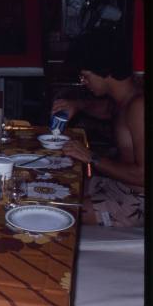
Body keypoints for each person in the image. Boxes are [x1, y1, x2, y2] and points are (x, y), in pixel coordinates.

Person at [51, 30, 144, 227]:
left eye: (85, 76)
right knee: (52, 187)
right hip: (119, 185)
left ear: (104, 72)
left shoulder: (139, 107)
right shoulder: (125, 98)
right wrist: (77, 105)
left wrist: (91, 157)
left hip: (137, 201)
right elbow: (107, 111)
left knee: (55, 212)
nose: (84, 82)